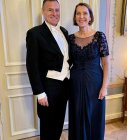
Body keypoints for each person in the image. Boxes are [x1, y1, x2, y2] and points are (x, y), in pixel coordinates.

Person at [26, 0, 70, 140]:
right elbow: (32, 65)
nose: (54, 13)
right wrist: (40, 93)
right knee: (47, 127)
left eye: (57, 10)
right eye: (50, 10)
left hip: (64, 86)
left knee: (58, 125)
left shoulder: (64, 31)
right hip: (48, 88)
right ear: (43, 12)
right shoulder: (34, 33)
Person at [69, 3, 109, 140]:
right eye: (78, 13)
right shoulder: (70, 39)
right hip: (75, 84)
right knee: (78, 116)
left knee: (94, 117)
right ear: (75, 17)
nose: (81, 16)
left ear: (90, 16)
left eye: (85, 13)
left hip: (95, 83)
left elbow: (106, 63)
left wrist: (104, 87)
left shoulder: (99, 36)